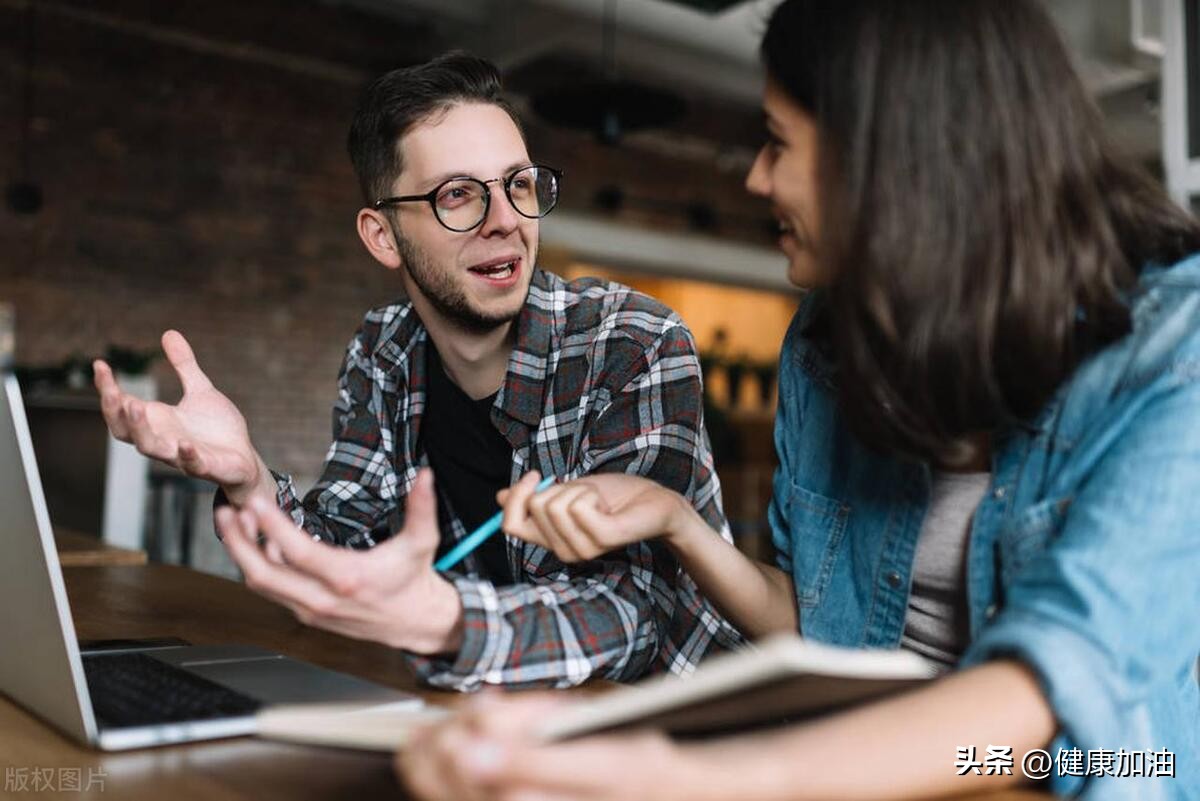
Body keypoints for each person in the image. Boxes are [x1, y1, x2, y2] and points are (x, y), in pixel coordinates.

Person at [396, 2, 1200, 799]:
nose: (756, 177)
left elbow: (1049, 692)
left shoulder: (1176, 352)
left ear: (895, 158)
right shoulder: (827, 340)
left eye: (778, 143)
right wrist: (674, 520)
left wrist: (683, 774)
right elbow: (821, 631)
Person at [92, 52, 741, 691]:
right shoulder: (385, 350)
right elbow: (345, 550)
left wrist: (445, 622)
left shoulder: (634, 342)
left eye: (518, 184)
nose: (506, 221)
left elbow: (633, 614)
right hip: (478, 714)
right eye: (458, 194)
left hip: (675, 735)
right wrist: (250, 479)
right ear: (382, 236)